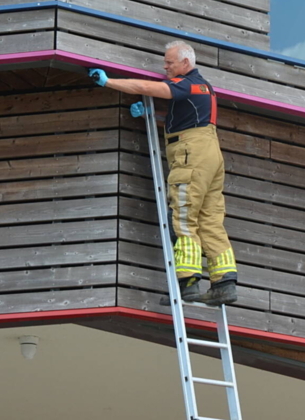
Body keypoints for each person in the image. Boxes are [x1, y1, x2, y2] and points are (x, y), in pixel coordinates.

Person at [87, 41, 237, 306]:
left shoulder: (186, 84)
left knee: (183, 216)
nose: (164, 67)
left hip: (191, 153)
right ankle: (224, 283)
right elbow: (186, 118)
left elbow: (147, 87)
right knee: (211, 220)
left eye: (169, 62)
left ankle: (187, 283)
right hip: (210, 153)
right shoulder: (204, 88)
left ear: (186, 64)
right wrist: (151, 115)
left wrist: (109, 82)